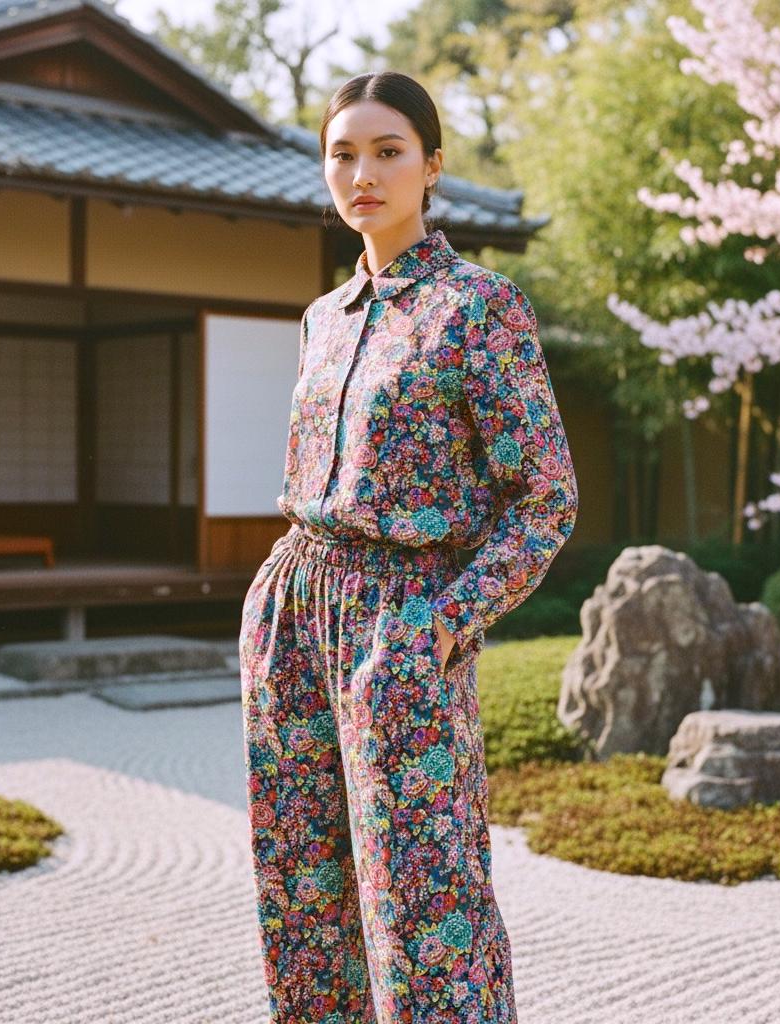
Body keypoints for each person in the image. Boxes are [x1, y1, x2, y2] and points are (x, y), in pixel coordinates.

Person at [239, 69, 578, 1024]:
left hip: (403, 616)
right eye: (341, 154)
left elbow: (546, 496)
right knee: (303, 884)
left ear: (432, 166)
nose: (363, 173)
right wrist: (274, 603)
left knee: (427, 901)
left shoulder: (479, 307)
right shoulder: (321, 318)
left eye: (387, 151)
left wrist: (445, 623)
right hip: (294, 612)